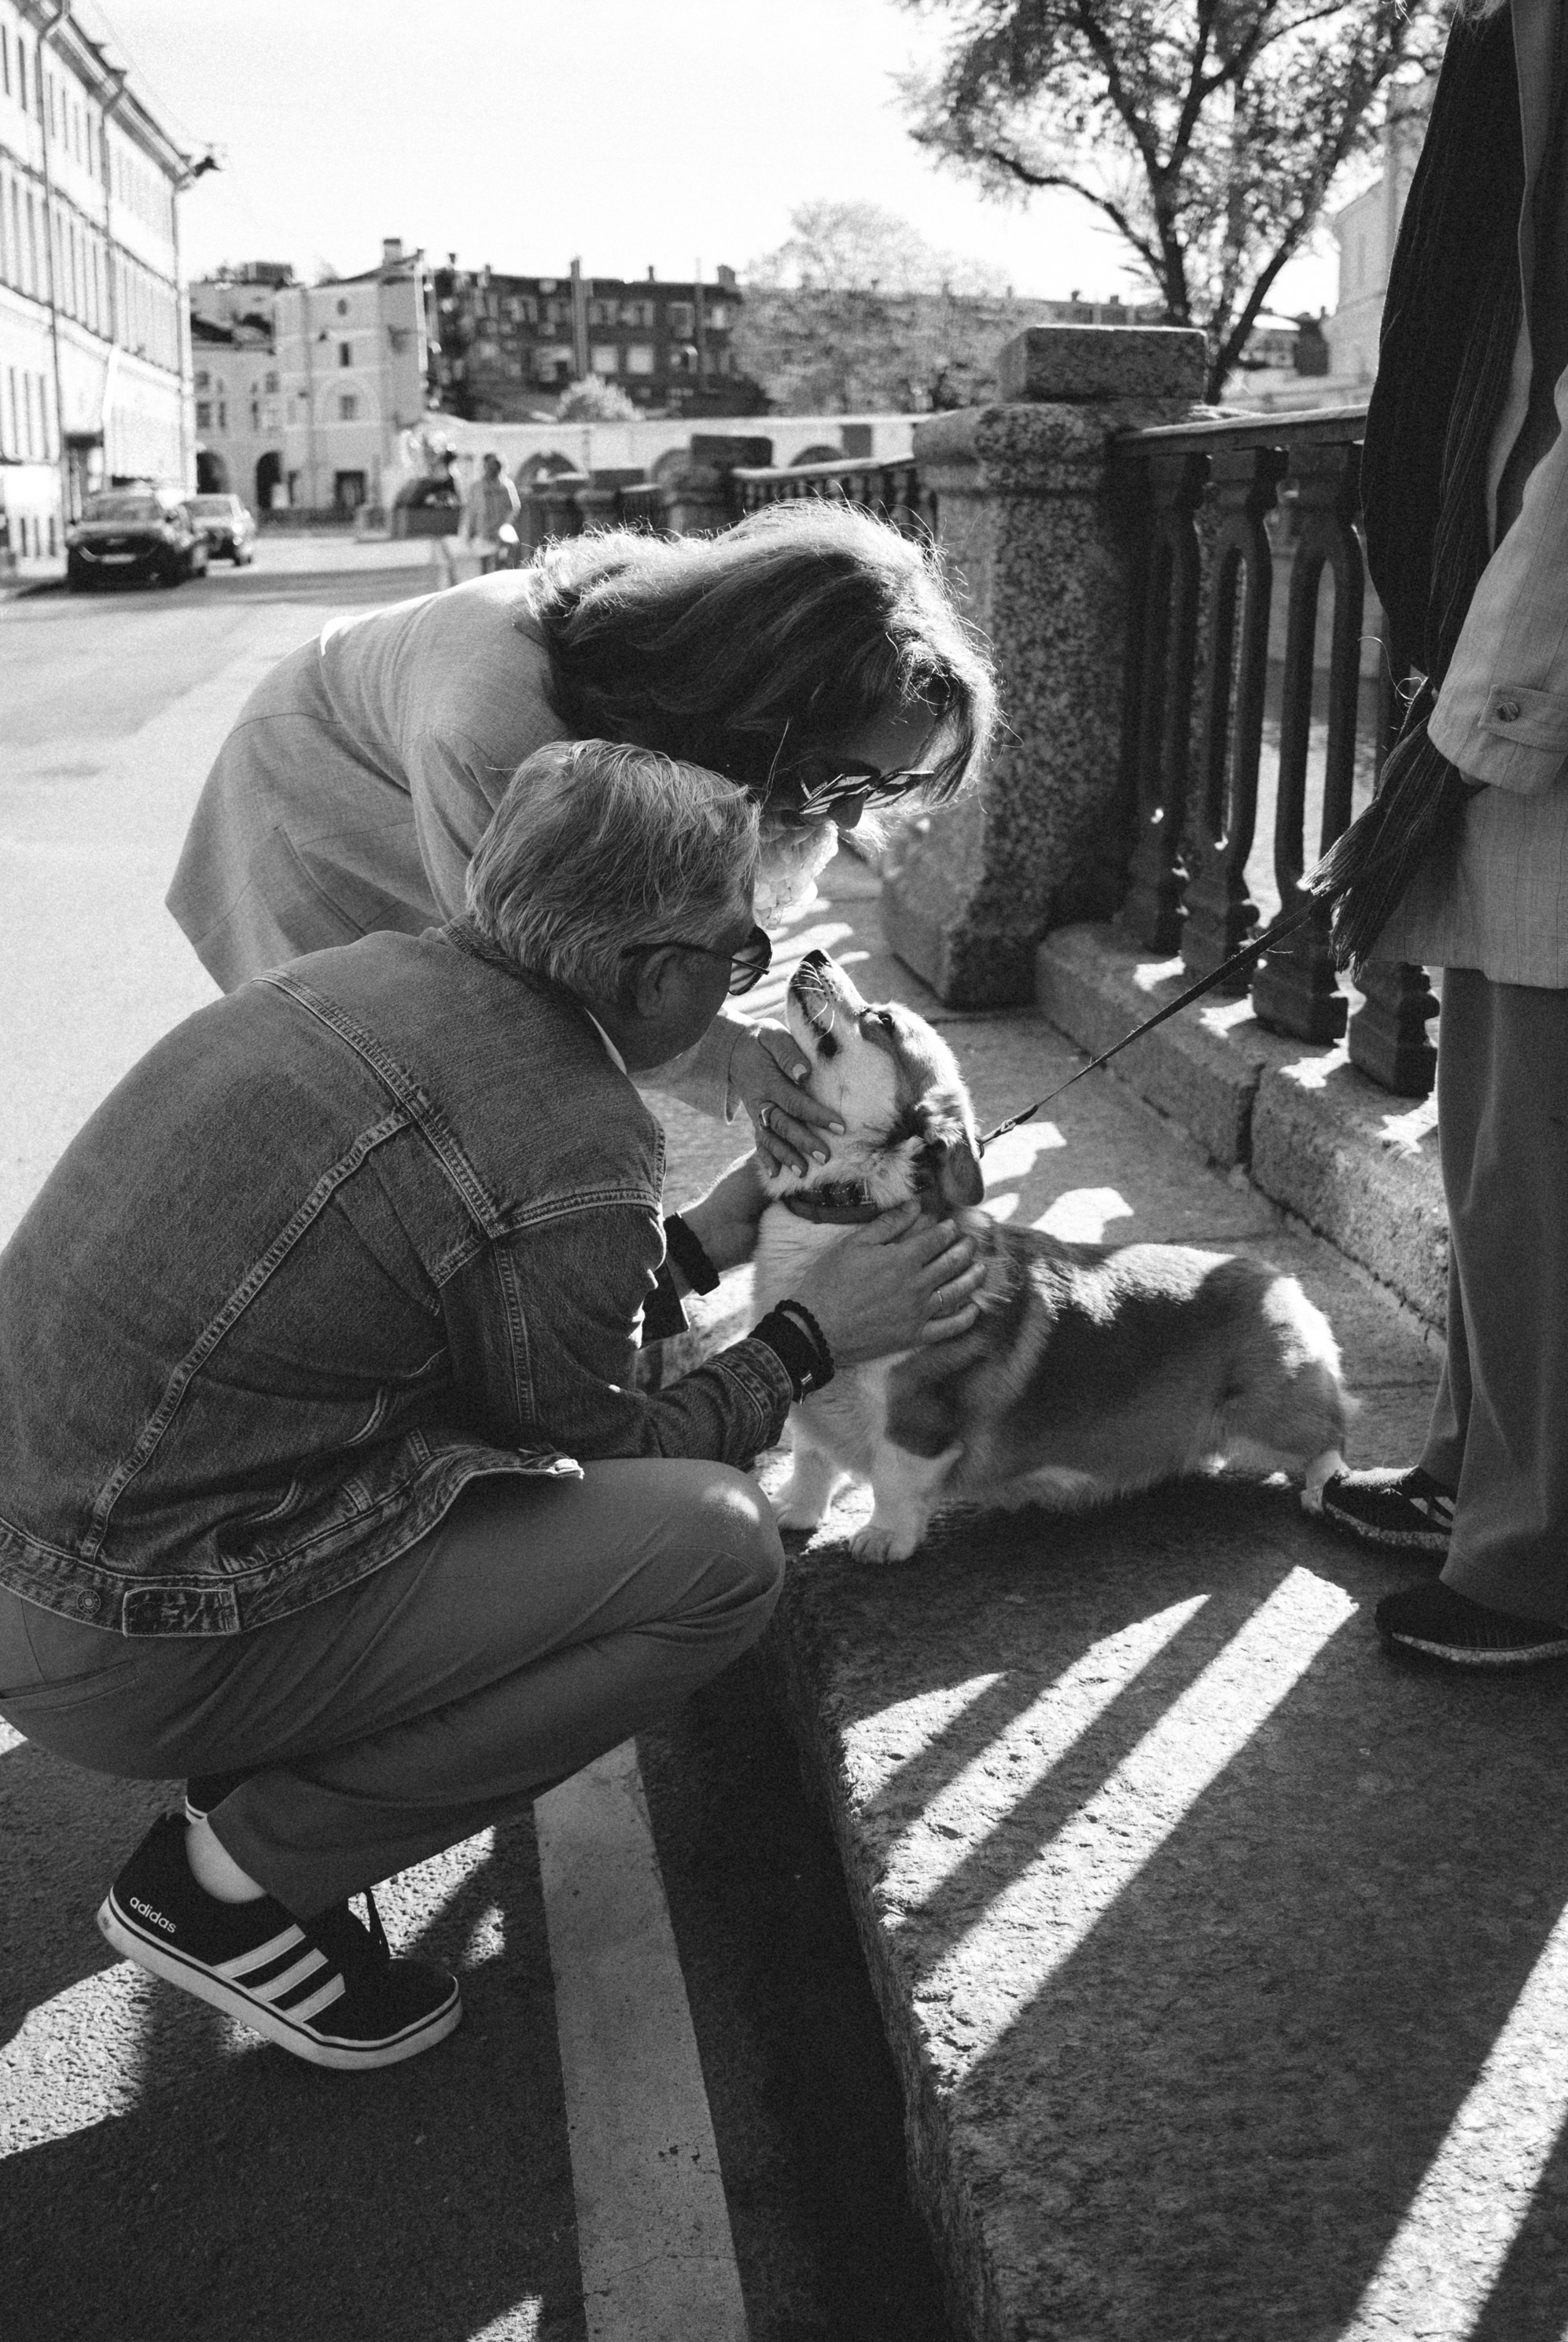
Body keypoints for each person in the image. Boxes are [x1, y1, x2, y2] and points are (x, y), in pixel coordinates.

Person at [0, 741, 986, 2069]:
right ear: (655, 973)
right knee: (712, 1552)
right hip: (128, 1640)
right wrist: (809, 1342)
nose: (743, 989)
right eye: (737, 956)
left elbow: (477, 1321)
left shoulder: (357, 976)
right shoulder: (572, 1132)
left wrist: (697, 1242)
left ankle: (262, 1762)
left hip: (57, 1567)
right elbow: (596, 1453)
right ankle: (226, 1888)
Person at [165, 498, 997, 1180]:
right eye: (842, 780)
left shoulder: (672, 695)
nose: (849, 821)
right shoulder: (502, 735)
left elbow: (641, 958)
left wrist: (729, 1054)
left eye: (885, 790)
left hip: (418, 737)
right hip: (316, 789)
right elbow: (530, 1002)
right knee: (402, 1086)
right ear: (759, 710)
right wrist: (711, 1070)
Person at [1316, 0, 1568, 1666]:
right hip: (1509, 669)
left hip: (1540, 696)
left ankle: (1537, 1556)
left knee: (1537, 1166)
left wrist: (1472, 719)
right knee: (1501, 1154)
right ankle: (1487, 1480)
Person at [440, 451, 522, 584]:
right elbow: (471, 511)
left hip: (500, 533)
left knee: (503, 564)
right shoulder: (477, 487)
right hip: (483, 532)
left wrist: (506, 525)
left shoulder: (507, 485)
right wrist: (467, 531)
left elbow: (514, 508)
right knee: (485, 569)